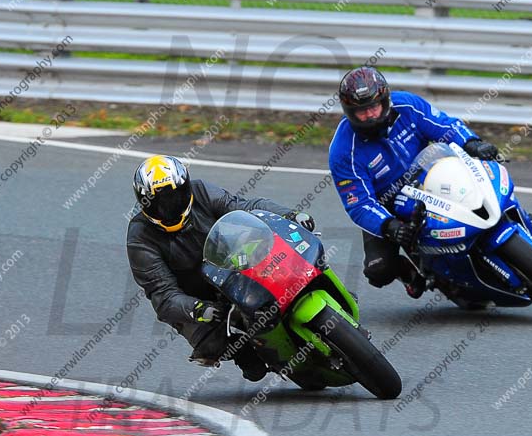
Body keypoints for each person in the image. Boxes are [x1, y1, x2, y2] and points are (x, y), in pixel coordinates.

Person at [126, 155, 315, 381]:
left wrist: (288, 215)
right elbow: (163, 295)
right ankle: (240, 349)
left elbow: (244, 207)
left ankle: (317, 288)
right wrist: (197, 309)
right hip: (195, 293)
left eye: (175, 196)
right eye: (161, 202)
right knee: (214, 344)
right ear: (145, 203)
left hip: (230, 263)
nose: (170, 206)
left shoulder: (201, 192)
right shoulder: (140, 237)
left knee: (287, 258)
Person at [328, 66, 499, 297]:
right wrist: (389, 226)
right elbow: (358, 204)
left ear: (385, 100)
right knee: (378, 270)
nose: (370, 115)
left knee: (484, 185)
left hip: (432, 177)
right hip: (389, 207)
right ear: (349, 112)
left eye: (374, 107)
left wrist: (471, 142)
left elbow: (445, 126)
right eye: (362, 111)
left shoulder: (407, 105)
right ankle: (409, 273)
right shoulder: (342, 151)